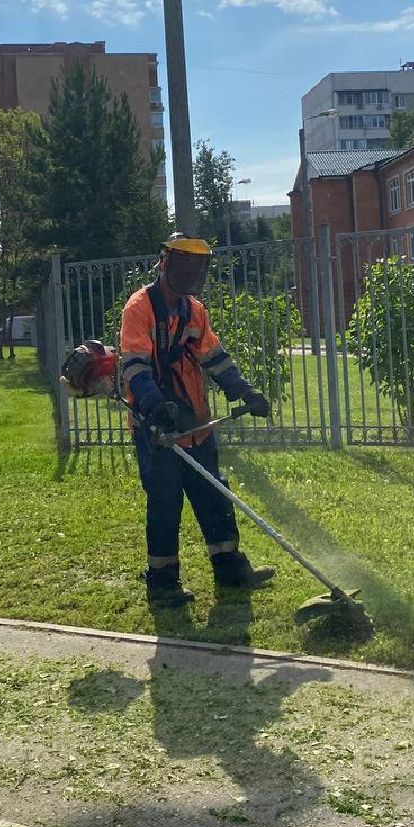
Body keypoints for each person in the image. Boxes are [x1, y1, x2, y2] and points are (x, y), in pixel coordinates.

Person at [119, 234, 275, 608]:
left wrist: (246, 392)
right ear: (165, 263)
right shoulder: (139, 308)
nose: (191, 274)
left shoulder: (194, 311)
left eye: (197, 268)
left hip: (197, 422)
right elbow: (135, 365)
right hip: (156, 428)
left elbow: (214, 357)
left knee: (213, 493)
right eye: (185, 266)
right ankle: (162, 584)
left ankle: (230, 569)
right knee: (165, 502)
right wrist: (157, 407)